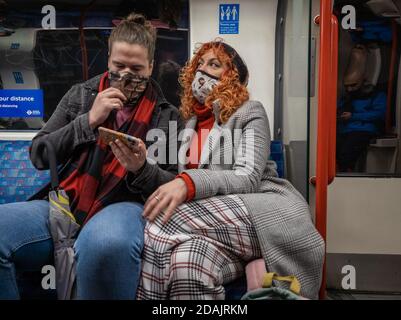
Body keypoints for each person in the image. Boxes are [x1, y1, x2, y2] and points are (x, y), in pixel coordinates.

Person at [0, 13, 183, 300]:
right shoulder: (81, 96)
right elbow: (39, 154)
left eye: (136, 68)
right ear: (108, 59)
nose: (126, 76)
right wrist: (88, 121)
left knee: (105, 243)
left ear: (150, 66)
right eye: (118, 66)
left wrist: (141, 169)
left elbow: (171, 184)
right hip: (67, 202)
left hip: (125, 204)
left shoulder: (167, 115)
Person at [136, 41, 325, 300]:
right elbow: (178, 181)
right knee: (186, 263)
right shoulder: (188, 124)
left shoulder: (250, 112)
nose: (203, 71)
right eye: (199, 64)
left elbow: (247, 177)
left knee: (163, 218)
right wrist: (142, 167)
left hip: (263, 212)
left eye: (214, 64)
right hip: (218, 230)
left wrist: (188, 183)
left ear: (233, 77)